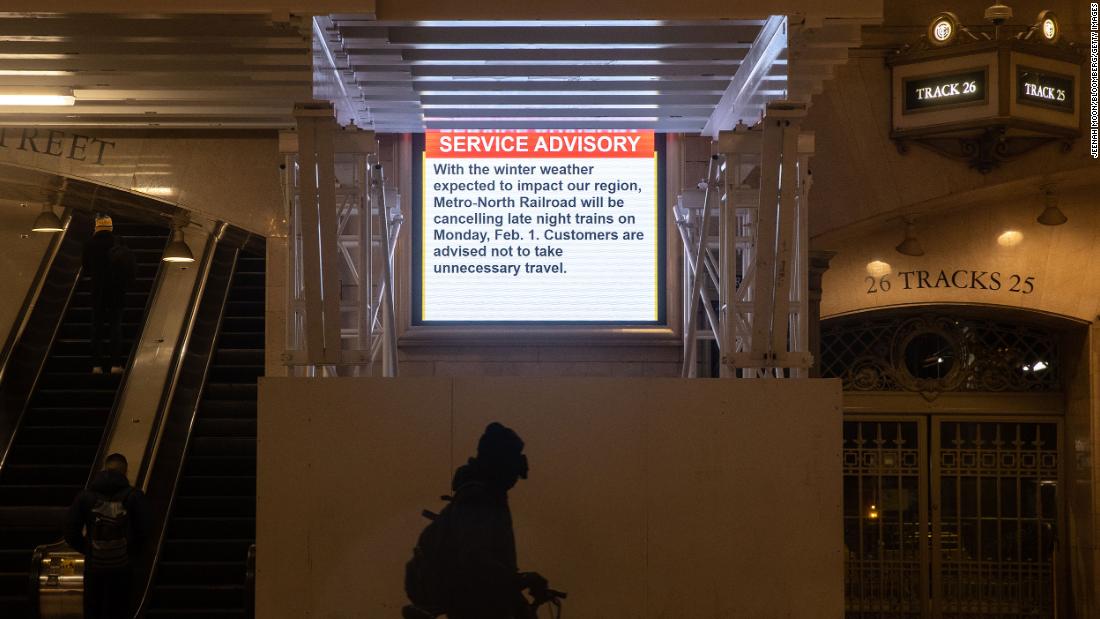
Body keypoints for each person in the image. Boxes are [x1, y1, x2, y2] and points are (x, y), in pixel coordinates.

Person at [405, 422, 552, 619]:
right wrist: (521, 580)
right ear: (500, 463)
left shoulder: (487, 497)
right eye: (512, 462)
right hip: (472, 605)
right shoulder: (477, 497)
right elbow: (475, 560)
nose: (517, 473)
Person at [65, 453, 151, 619]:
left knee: (94, 609)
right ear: (125, 472)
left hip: (95, 567)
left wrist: (89, 549)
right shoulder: (134, 496)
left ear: (104, 469)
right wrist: (129, 552)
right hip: (123, 567)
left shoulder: (85, 497)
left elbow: (70, 531)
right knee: (120, 609)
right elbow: (146, 530)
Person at [82, 214, 134, 375]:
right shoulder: (119, 242)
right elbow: (129, 266)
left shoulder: (89, 243)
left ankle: (96, 365)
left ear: (96, 227)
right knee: (115, 326)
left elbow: (86, 268)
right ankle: (116, 364)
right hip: (117, 291)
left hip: (98, 291)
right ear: (111, 227)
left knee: (97, 327)